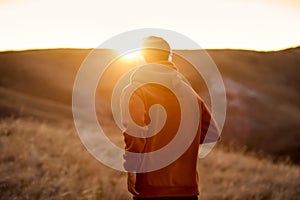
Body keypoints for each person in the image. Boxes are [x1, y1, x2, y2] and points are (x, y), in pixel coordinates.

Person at [120, 36, 221, 200]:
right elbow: (212, 133)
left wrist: (131, 169)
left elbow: (135, 133)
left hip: (151, 188)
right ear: (169, 57)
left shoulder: (135, 90)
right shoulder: (190, 93)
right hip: (187, 189)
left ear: (141, 58)